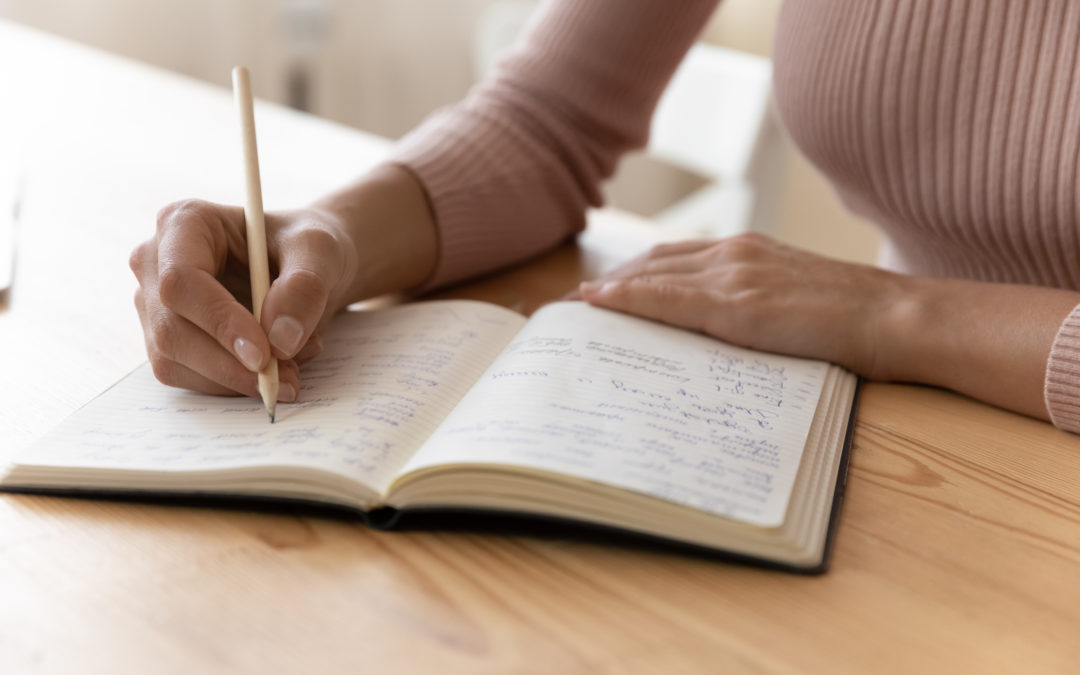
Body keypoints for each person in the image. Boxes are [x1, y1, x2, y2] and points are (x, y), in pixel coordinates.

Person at [129, 0, 1080, 434]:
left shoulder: (888, 321)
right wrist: (327, 237)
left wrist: (897, 314)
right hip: (916, 433)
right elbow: (552, 119)